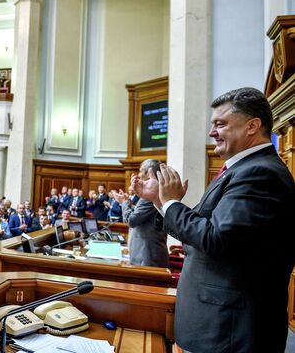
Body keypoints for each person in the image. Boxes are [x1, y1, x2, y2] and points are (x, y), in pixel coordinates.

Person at [133, 87, 295, 352]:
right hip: (217, 324)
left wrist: (172, 202)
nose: (211, 132)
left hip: (230, 330)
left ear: (252, 126)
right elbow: (204, 229)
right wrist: (160, 201)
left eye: (220, 124)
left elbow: (216, 239)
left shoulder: (260, 173)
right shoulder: (240, 169)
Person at [114, 159, 169, 268]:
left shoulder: (151, 195)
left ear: (148, 173)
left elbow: (131, 220)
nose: (138, 175)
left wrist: (124, 203)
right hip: (149, 254)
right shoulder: (159, 190)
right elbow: (144, 215)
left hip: (147, 256)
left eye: (140, 171)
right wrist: (129, 204)